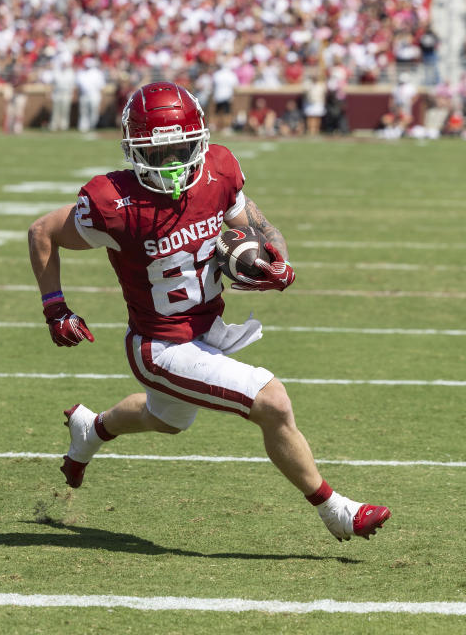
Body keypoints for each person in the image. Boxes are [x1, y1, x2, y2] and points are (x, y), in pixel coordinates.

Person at [27, 81, 390, 543]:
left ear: (198, 141)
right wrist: (54, 308)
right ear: (132, 151)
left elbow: (257, 229)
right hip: (160, 345)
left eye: (180, 149)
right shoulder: (111, 203)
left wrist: (277, 261)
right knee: (272, 401)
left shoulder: (219, 170)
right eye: (156, 154)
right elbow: (43, 231)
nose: (171, 164)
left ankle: (91, 429)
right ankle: (337, 510)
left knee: (166, 420)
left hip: (208, 328)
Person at [75, 57, 105, 132]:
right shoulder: (81, 73)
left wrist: (102, 98)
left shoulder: (97, 73)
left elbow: (101, 87)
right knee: (83, 111)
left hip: (94, 95)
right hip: (84, 95)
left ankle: (93, 126)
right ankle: (83, 127)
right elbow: (78, 86)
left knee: (94, 111)